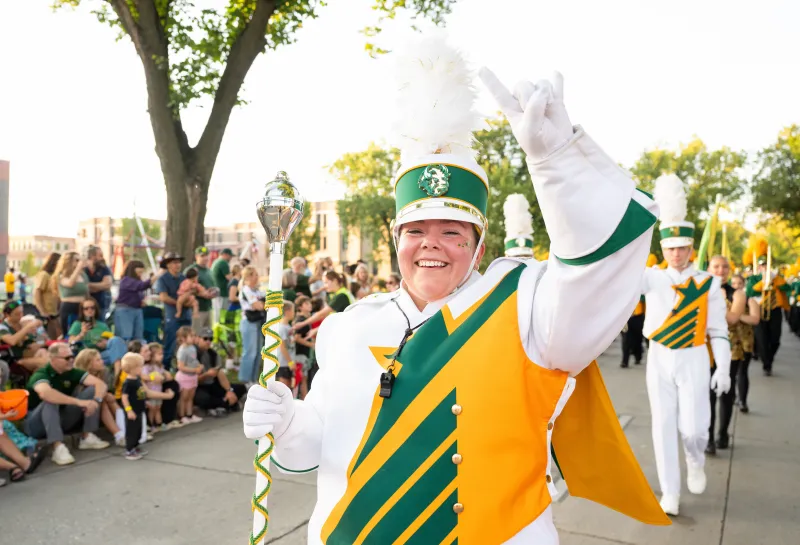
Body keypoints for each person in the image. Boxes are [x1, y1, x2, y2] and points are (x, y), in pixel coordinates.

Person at [243, 38, 668, 545]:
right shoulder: (347, 326)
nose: (432, 246)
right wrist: (288, 420)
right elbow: (324, 446)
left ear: (478, 244)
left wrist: (558, 167)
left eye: (453, 232)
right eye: (417, 231)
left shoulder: (524, 307)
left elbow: (595, 275)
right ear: (396, 239)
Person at [641, 175, 731, 516]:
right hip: (659, 357)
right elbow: (615, 281)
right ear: (662, 249)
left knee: (694, 430)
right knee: (662, 426)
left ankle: (695, 460)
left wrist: (722, 367)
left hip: (694, 356)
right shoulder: (650, 277)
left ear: (691, 248)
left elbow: (719, 330)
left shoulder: (708, 284)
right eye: (670, 248)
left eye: (681, 248)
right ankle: (670, 491)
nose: (676, 254)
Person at [24, 342, 111, 466]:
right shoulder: (41, 374)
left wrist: (96, 401)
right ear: (53, 359)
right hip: (36, 424)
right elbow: (46, 393)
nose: (71, 360)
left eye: (72, 357)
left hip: (61, 418)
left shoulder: (71, 372)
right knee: (50, 399)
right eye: (67, 358)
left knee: (93, 390)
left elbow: (101, 384)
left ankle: (87, 437)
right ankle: (57, 447)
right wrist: (79, 402)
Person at [121, 352, 174, 460]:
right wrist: (129, 410)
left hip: (139, 409)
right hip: (133, 411)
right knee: (132, 431)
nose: (142, 368)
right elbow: (124, 397)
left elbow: (144, 393)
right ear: (132, 368)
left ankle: (135, 446)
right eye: (140, 366)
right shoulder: (128, 382)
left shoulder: (137, 380)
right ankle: (129, 450)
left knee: (139, 430)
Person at [193, 328, 246, 415]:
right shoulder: (193, 353)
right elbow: (192, 380)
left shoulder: (213, 354)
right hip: (198, 386)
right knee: (203, 398)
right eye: (205, 338)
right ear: (198, 338)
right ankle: (226, 404)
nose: (208, 342)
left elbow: (220, 373)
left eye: (211, 339)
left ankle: (224, 402)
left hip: (213, 384)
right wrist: (206, 375)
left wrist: (229, 391)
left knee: (241, 388)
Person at [67, 299, 127, 368]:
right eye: (86, 308)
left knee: (117, 341)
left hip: (101, 354)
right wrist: (82, 334)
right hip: (85, 356)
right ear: (82, 311)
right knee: (118, 353)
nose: (90, 310)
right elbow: (71, 341)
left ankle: (117, 374)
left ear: (96, 309)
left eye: (92, 308)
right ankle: (119, 375)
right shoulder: (77, 324)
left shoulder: (102, 325)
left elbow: (112, 342)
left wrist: (105, 344)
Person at [731, 274, 759, 414]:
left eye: (739, 283)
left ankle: (742, 400)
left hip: (745, 341)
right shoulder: (726, 299)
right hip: (729, 341)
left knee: (742, 371)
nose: (736, 286)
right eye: (734, 283)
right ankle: (730, 397)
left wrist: (737, 316)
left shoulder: (750, 301)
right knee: (730, 373)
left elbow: (755, 319)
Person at [154, 252, 189, 368]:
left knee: (187, 344)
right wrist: (180, 302)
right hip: (172, 317)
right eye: (174, 262)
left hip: (187, 316)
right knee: (170, 344)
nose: (178, 265)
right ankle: (166, 368)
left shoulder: (184, 278)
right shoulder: (162, 279)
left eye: (179, 262)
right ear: (168, 265)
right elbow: (163, 297)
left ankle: (184, 368)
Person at [115, 260, 162, 342]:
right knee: (126, 335)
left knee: (138, 336)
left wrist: (141, 301)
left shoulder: (136, 281)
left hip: (137, 309)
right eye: (139, 272)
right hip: (125, 310)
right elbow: (141, 286)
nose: (140, 274)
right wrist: (158, 275)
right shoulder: (126, 280)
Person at [0, 300, 48, 372]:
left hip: (35, 354)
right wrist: (27, 328)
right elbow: (12, 341)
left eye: (21, 312)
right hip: (17, 359)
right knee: (49, 363)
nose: (21, 316)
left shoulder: (25, 322)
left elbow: (42, 340)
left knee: (43, 355)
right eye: (17, 314)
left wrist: (39, 344)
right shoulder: (3, 327)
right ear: (7, 315)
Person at [238, 265, 266, 386]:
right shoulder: (246, 290)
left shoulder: (256, 290)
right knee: (250, 352)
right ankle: (245, 379)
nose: (257, 277)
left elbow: (264, 303)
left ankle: (253, 379)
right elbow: (258, 306)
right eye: (255, 274)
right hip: (249, 322)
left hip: (258, 321)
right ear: (248, 276)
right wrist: (262, 304)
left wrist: (262, 303)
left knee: (258, 351)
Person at [53, 251, 90, 335]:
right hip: (68, 307)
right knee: (69, 333)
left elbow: (87, 290)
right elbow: (70, 283)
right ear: (69, 261)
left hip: (81, 306)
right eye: (76, 260)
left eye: (80, 260)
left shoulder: (83, 275)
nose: (79, 262)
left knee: (83, 331)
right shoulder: (62, 275)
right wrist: (79, 267)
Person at [184, 246, 217, 333]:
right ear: (196, 257)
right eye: (202, 256)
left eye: (206, 255)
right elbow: (185, 288)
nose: (205, 258)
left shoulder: (209, 271)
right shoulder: (191, 270)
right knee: (196, 335)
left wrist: (213, 291)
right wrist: (201, 293)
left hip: (208, 308)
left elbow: (211, 285)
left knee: (207, 336)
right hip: (197, 310)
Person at [175, 326, 203, 425]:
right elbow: (181, 367)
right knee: (184, 397)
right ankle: (182, 416)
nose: (194, 337)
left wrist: (199, 365)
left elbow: (193, 360)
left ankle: (189, 414)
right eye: (191, 336)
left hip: (192, 376)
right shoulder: (182, 351)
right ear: (183, 338)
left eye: (194, 335)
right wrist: (195, 369)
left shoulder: (192, 347)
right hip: (185, 377)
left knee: (191, 397)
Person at [33, 252, 62, 340]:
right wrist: (42, 311)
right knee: (49, 339)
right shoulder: (44, 275)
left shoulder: (54, 276)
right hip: (46, 314)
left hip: (54, 314)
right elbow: (37, 292)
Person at [85, 246, 113, 320]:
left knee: (100, 327)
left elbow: (107, 285)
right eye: (100, 255)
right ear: (92, 256)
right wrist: (100, 286)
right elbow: (81, 287)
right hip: (85, 305)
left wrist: (88, 285)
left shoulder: (104, 268)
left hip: (101, 305)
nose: (102, 258)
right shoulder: (83, 268)